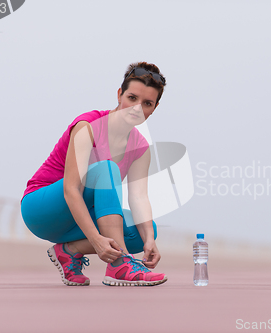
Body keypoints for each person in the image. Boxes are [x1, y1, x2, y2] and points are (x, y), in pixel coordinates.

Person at [21, 62, 167, 286]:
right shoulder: (88, 126)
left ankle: (69, 251)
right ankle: (120, 266)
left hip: (76, 221)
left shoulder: (140, 147)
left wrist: (149, 240)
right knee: (105, 168)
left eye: (147, 103)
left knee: (145, 230)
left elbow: (138, 197)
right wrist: (95, 239)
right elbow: (71, 189)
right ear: (119, 95)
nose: (137, 108)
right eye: (132, 98)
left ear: (154, 108)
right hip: (42, 209)